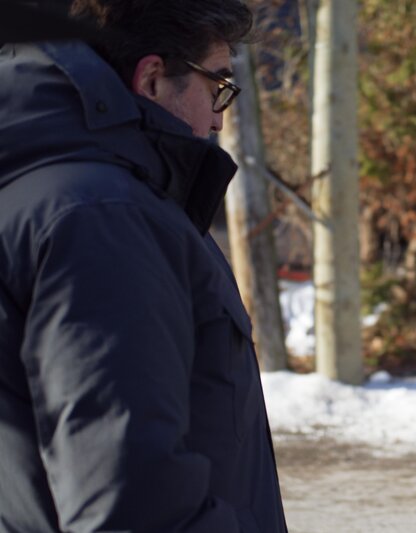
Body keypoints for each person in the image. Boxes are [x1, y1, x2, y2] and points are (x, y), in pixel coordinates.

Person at [0, 1, 287, 531]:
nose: (219, 117)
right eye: (215, 84)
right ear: (153, 79)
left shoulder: (53, 191)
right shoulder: (104, 218)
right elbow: (129, 499)